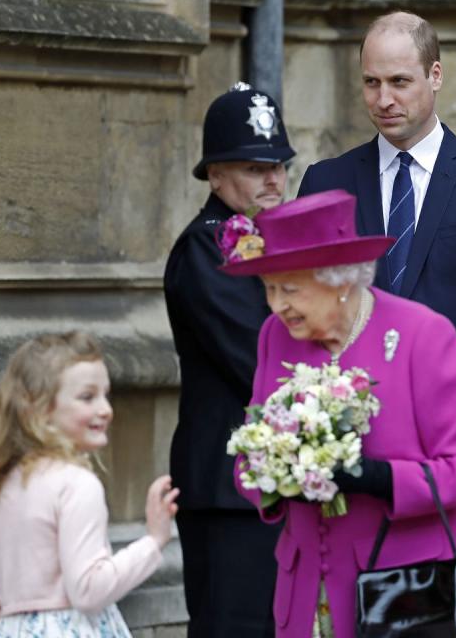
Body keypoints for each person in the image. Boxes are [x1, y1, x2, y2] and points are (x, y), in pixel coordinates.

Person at [296, 11, 456, 598]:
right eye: (372, 82)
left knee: (448, 616)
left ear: (435, 76)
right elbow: (306, 309)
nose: (384, 98)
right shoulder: (326, 182)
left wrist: (410, 395)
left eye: (400, 82)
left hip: (454, 442)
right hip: (349, 446)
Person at [221, 190, 456, 637]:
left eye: (290, 289)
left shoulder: (422, 335)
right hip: (308, 594)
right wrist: (276, 475)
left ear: (341, 280)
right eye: (269, 289)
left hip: (404, 597)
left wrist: (379, 479)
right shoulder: (276, 335)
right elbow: (247, 462)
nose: (276, 306)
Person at [163, 82, 295, 636]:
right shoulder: (206, 247)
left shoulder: (275, 240)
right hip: (229, 489)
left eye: (279, 166)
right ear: (215, 174)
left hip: (277, 478)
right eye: (252, 167)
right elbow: (258, 357)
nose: (271, 179)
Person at [0, 332, 179, 637]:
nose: (106, 408)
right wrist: (153, 541)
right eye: (87, 397)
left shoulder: (1, 487)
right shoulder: (76, 484)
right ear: (40, 410)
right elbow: (88, 590)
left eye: (105, 395)